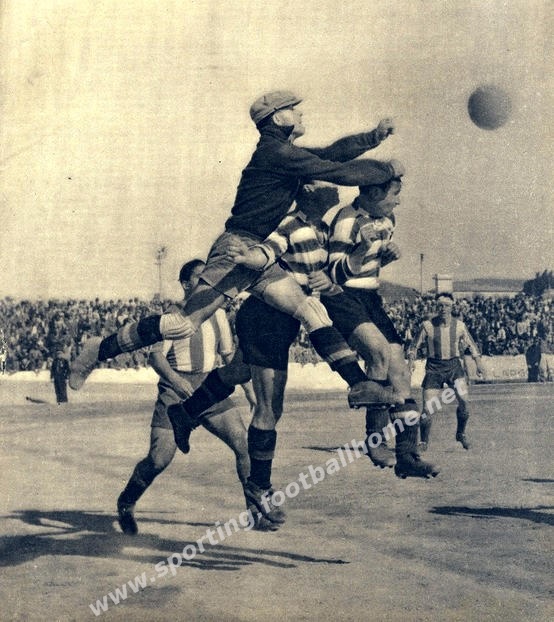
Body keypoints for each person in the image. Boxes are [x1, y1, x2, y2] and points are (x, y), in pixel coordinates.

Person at [69, 90, 404, 411]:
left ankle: (360, 385)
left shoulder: (282, 152)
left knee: (311, 310)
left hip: (255, 253)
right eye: (294, 108)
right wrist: (386, 171)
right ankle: (99, 349)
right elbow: (335, 170)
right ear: (279, 117)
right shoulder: (277, 152)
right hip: (236, 247)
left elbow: (331, 154)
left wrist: (372, 138)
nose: (300, 113)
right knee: (183, 325)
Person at [116, 260, 251, 535]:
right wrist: (176, 381)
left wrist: (250, 390)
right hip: (174, 391)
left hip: (209, 387)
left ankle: (255, 508)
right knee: (159, 459)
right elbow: (155, 357)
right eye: (200, 278)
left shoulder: (218, 313)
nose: (207, 283)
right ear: (186, 284)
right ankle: (126, 502)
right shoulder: (172, 316)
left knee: (243, 444)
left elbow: (228, 356)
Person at [319, 178, 439, 478]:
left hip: (370, 296)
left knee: (400, 371)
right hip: (342, 296)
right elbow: (335, 273)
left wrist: (384, 257)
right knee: (379, 354)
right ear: (373, 192)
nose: (398, 201)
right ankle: (376, 441)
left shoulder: (388, 219)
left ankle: (407, 455)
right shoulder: (347, 221)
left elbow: (367, 266)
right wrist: (363, 248)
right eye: (394, 194)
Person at [407, 293, 485, 451]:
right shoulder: (427, 325)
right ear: (437, 307)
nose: (443, 308)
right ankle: (423, 442)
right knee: (427, 408)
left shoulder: (460, 326)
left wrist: (478, 364)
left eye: (446, 305)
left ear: (452, 307)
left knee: (464, 400)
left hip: (454, 367)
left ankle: (461, 433)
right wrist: (410, 362)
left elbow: (472, 345)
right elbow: (413, 346)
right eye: (440, 305)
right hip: (434, 368)